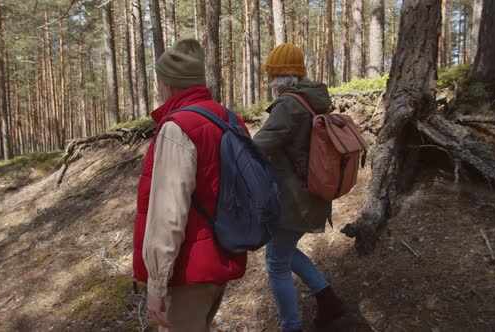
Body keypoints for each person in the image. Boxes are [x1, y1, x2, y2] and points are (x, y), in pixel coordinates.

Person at [132, 38, 247, 332]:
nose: (158, 86)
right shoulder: (228, 119)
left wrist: (156, 283)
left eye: (160, 80)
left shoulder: (177, 127)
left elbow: (169, 212)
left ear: (168, 83)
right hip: (220, 257)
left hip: (187, 271)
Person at [253, 43, 344, 332]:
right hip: (312, 192)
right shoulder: (313, 98)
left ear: (279, 77)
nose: (268, 81)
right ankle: (327, 298)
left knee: (276, 263)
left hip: (295, 199)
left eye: (270, 75)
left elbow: (259, 146)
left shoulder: (290, 104)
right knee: (285, 251)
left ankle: (291, 327)